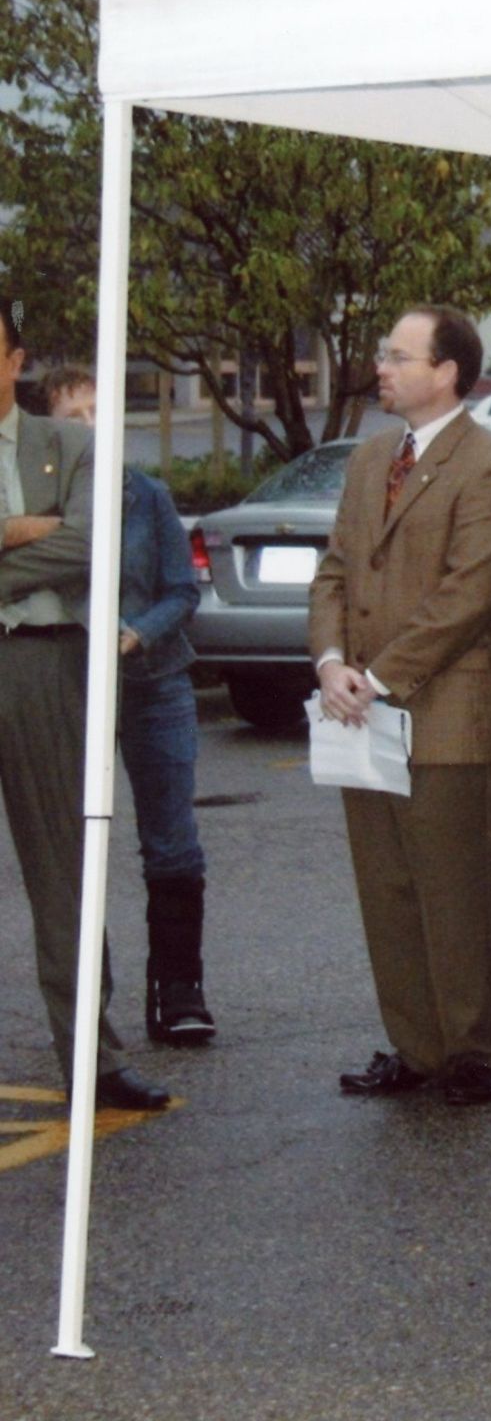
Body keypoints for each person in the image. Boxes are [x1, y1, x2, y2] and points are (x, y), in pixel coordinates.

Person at [311, 305, 491, 1107]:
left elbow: (467, 596)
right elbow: (336, 571)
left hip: (445, 719)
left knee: (456, 893)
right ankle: (416, 1047)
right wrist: (331, 663)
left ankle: (474, 1054)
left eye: (399, 356)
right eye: (384, 354)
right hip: (362, 714)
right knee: (389, 891)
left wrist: (377, 677)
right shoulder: (372, 458)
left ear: (446, 372)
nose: (383, 367)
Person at [0, 317, 168, 1110]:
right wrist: (17, 530)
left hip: (44, 664)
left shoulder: (69, 445)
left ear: (15, 359)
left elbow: (89, 545)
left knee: (66, 871)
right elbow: (59, 545)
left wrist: (40, 540)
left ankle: (91, 1060)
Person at [45, 365, 214, 1047]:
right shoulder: (40, 504)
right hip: (72, 684)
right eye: (74, 416)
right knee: (73, 844)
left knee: (172, 840)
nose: (90, 426)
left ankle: (179, 992)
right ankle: (90, 1002)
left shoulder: (147, 495)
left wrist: (137, 632)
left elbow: (183, 590)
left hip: (154, 682)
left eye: (100, 410)